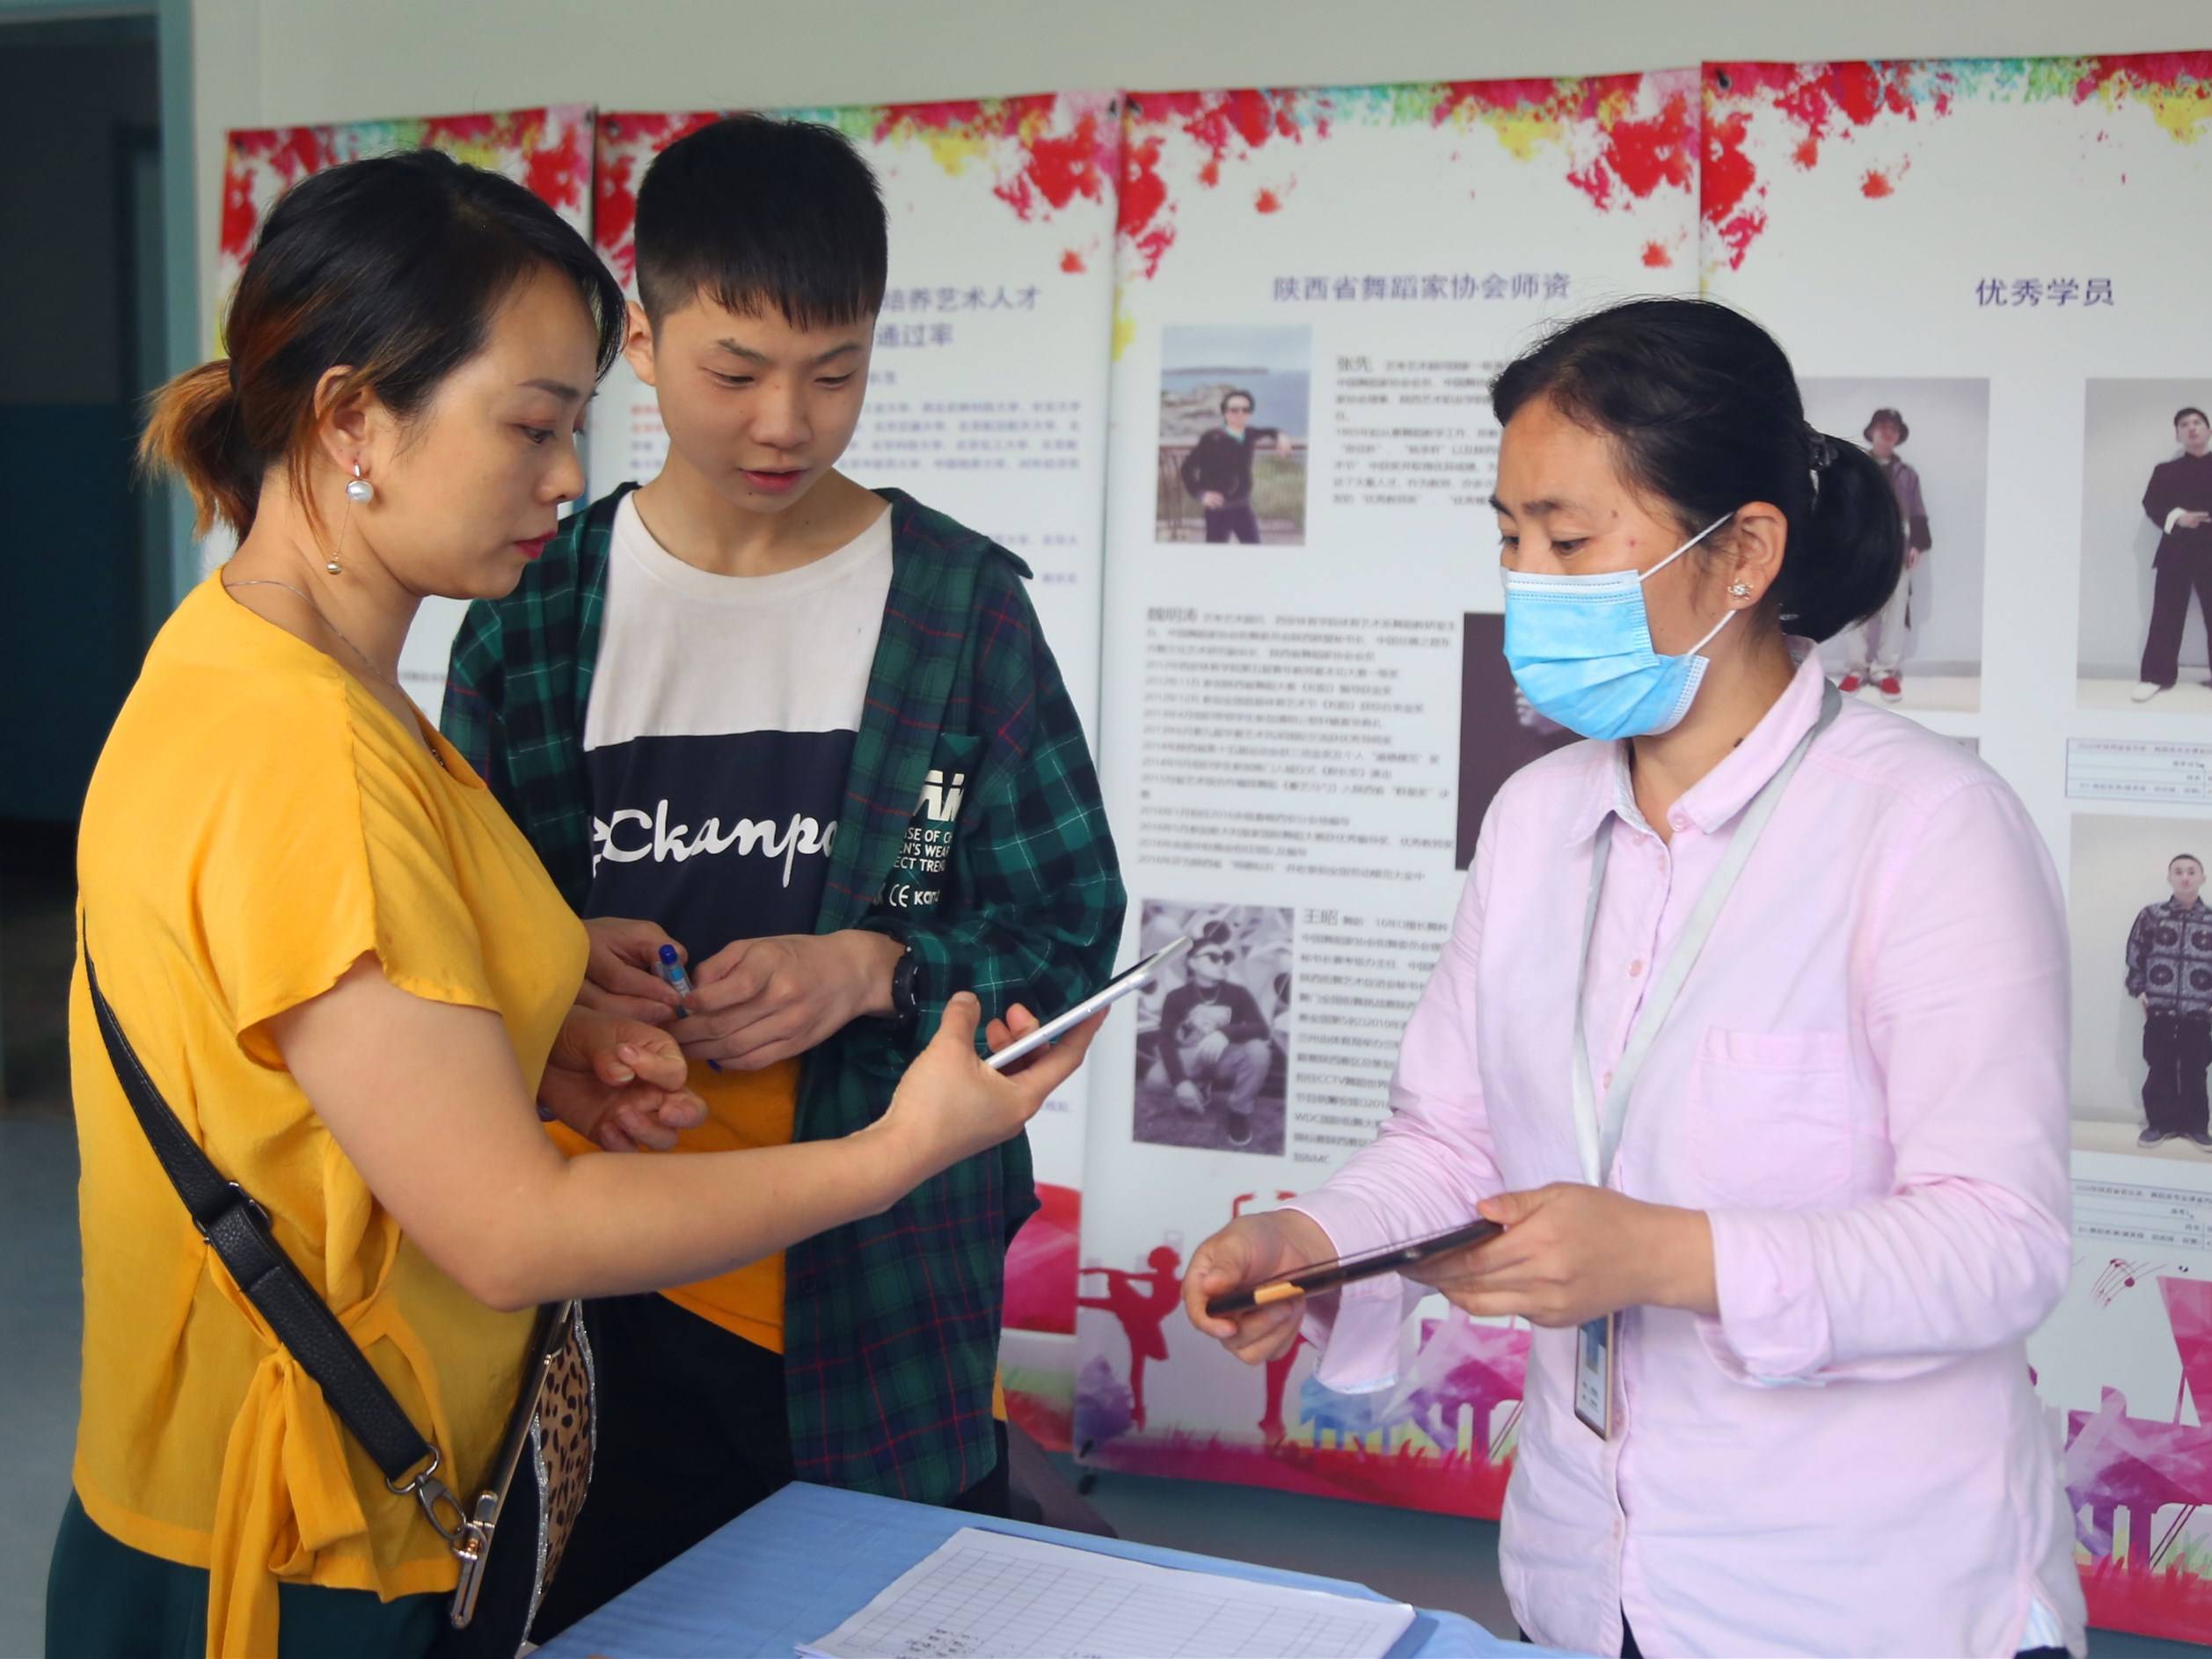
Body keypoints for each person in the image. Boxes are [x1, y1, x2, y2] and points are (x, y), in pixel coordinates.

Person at [51, 150, 1099, 1659]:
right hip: (305, 1526)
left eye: (570, 429)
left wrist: (558, 999)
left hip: (782, 1361)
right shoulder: (345, 729)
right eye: (533, 426)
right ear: (354, 418)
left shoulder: (277, 672)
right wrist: (891, 1154)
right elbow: (510, 1227)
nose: (560, 475)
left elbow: (345, 1017)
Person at [1183, 297, 2084, 1659]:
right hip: (1585, 1576)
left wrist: (1663, 1253)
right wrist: (1314, 1244)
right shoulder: (1535, 821)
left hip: (1861, 1596)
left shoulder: (1925, 828)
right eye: (1506, 537)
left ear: (1741, 554)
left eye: (1568, 538)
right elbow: (1453, 1137)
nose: (1528, 580)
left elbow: (1997, 1239)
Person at [440, 114, 1125, 1633]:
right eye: (734, 369)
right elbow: (447, 945)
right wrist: (561, 978)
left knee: (880, 1616)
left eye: (836, 372)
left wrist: (879, 966)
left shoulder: (956, 612)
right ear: (644, 332)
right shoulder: (539, 611)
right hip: (589, 1292)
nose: (785, 423)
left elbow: (1071, 936)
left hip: (876, 1297)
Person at [1147, 922, 1273, 1149]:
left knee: (1258, 1051)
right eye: (1213, 957)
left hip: (1226, 1057)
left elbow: (1261, 1028)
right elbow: (1165, 1040)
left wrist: (1225, 1033)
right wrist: (1180, 1082)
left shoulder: (1238, 993)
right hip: (1191, 1057)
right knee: (1155, 1081)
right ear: (1193, 962)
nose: (1222, 962)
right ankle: (1198, 1085)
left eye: (1225, 957)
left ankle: (1239, 1112)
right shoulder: (1176, 997)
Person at [1838, 406, 1931, 702]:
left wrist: (1916, 544)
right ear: (1873, 431)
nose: (1888, 432)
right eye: (1883, 427)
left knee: (1895, 611)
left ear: (1898, 436)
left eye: (1893, 429)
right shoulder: (1857, 468)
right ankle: (1857, 669)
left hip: (1898, 550)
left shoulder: (1907, 475)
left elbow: (1917, 512)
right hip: (1864, 548)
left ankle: (1884, 671)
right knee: (1857, 611)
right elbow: (1847, 508)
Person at [2125, 853, 2212, 1149]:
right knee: (2159, 1065)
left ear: (2203, 878)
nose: (2185, 877)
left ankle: (2196, 1127)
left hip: (2200, 1010)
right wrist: (2139, 989)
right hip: (2159, 1008)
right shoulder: (2152, 915)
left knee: (2195, 1068)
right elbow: (2136, 955)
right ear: (2170, 878)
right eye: (2178, 871)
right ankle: (2159, 1124)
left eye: (2191, 871)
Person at [2132, 406, 2212, 702]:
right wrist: (2178, 517)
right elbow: (2152, 503)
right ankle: (2155, 676)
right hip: (2176, 550)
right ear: (2178, 435)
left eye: (2197, 422)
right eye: (2184, 425)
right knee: (2166, 613)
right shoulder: (2165, 471)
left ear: (2208, 430)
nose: (2191, 428)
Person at [1177, 388, 1294, 543]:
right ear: (1225, 413)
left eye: (1245, 410)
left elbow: (1269, 431)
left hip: (1243, 507)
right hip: (1217, 509)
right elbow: (1187, 468)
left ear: (1250, 413)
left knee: (1254, 548)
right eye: (1234, 410)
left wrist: (1280, 435)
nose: (1240, 414)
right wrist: (1201, 494)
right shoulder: (1212, 438)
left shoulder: (1249, 434)